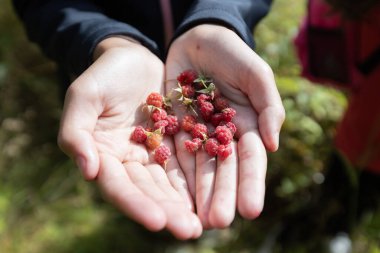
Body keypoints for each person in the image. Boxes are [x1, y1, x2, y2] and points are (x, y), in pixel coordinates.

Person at [12, 0, 285, 239]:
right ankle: (147, 233)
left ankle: (195, 233)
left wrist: (220, 16)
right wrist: (105, 40)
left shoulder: (200, 110)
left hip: (205, 55)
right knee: (141, 202)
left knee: (201, 203)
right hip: (112, 89)